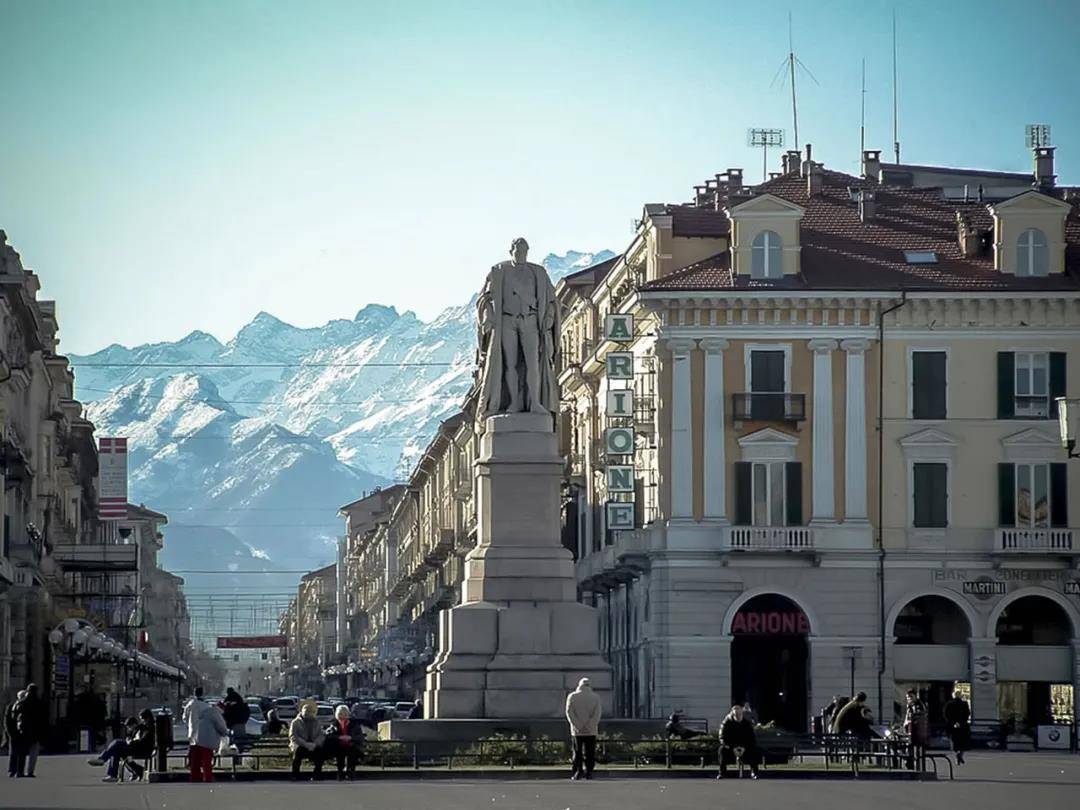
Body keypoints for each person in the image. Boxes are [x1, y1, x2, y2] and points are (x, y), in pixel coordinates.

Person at [183, 686, 228, 783]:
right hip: (207, 738)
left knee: (195, 761)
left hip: (193, 736)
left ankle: (195, 778)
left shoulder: (189, 705)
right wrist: (224, 733)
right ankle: (207, 777)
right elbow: (221, 727)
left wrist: (190, 727)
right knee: (206, 761)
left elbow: (185, 718)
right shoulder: (209, 709)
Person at [565, 677, 601, 781]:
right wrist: (590, 725)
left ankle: (578, 771)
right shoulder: (596, 697)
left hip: (577, 731)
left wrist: (579, 725)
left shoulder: (572, 696)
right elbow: (597, 714)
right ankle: (589, 772)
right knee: (590, 752)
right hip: (591, 730)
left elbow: (569, 712)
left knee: (577, 751)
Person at [717, 704, 760, 779]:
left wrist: (744, 747)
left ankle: (754, 772)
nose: (738, 716)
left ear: (742, 714)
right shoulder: (726, 723)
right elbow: (721, 737)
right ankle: (722, 773)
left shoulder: (747, 723)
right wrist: (731, 747)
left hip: (744, 747)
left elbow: (752, 738)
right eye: (736, 714)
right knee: (722, 750)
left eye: (739, 714)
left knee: (754, 750)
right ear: (732, 714)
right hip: (730, 747)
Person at [289, 701, 326, 780]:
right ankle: (295, 775)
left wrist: (315, 744)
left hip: (313, 745)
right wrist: (305, 744)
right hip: (300, 745)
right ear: (301, 711)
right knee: (298, 752)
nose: (308, 714)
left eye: (310, 712)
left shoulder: (317, 722)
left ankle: (317, 775)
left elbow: (321, 735)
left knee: (320, 751)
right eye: (306, 712)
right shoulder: (295, 722)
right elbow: (293, 736)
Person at [324, 704, 363, 780]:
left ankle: (350, 771)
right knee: (339, 752)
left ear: (348, 715)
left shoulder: (354, 725)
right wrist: (339, 737)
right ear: (337, 715)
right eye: (340, 714)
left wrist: (350, 737)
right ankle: (340, 771)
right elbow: (328, 735)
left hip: (352, 745)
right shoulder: (334, 725)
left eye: (345, 714)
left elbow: (359, 737)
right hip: (338, 746)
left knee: (352, 752)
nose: (342, 716)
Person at [4, 689, 28, 778]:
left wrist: (9, 731)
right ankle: (19, 771)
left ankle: (12, 770)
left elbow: (6, 721)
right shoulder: (24, 706)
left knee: (13, 752)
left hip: (13, 732)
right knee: (21, 753)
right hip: (20, 732)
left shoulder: (11, 706)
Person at [903, 690, 929, 770]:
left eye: (911, 697)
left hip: (916, 730)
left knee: (914, 747)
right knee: (908, 746)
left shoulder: (919, 705)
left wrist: (911, 720)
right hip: (910, 729)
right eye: (908, 697)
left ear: (915, 696)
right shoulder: (910, 705)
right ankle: (909, 762)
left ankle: (912, 763)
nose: (909, 699)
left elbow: (919, 715)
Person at [943, 691, 971, 765]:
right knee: (963, 742)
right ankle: (960, 754)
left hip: (952, 726)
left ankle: (957, 752)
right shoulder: (964, 704)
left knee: (954, 741)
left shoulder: (949, 704)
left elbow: (946, 714)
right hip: (963, 726)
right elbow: (967, 714)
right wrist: (961, 722)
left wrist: (952, 723)